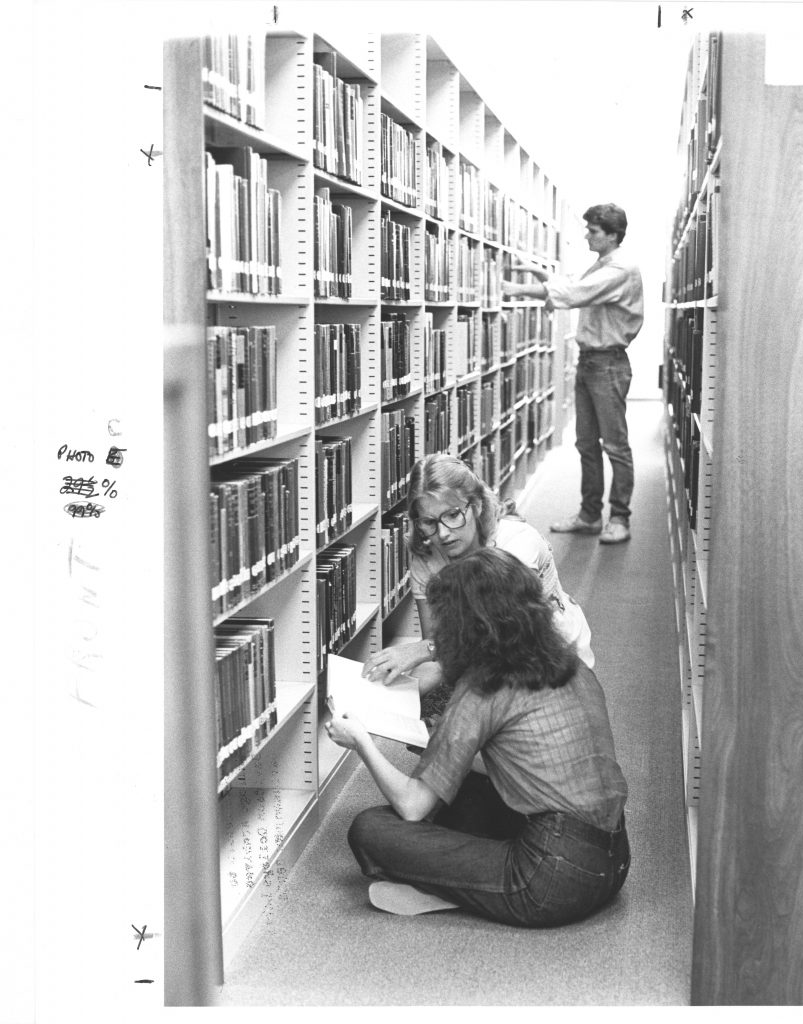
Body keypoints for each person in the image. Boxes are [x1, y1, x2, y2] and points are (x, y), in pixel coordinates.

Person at [326, 547, 630, 925]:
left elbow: (412, 806)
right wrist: (447, 749)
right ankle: (465, 882)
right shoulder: (570, 664)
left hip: (549, 882)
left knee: (371, 829)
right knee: (466, 787)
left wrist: (361, 742)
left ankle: (456, 889)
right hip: (614, 861)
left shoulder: (481, 687)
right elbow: (539, 767)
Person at [362, 453, 594, 721]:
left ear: (477, 505)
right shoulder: (426, 555)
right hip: (479, 660)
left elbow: (504, 640)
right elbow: (440, 655)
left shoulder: (515, 543)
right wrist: (387, 699)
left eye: (453, 515)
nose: (444, 533)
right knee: (426, 714)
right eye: (429, 522)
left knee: (471, 723)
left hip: (543, 662)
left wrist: (425, 649)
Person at [502, 203, 643, 544]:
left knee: (615, 445)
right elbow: (570, 285)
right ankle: (590, 515)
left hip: (608, 363)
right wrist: (539, 274)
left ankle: (620, 518)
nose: (587, 235)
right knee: (585, 444)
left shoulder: (621, 269)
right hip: (590, 361)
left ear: (612, 234)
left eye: (593, 231)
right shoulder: (602, 265)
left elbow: (574, 293)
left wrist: (516, 289)